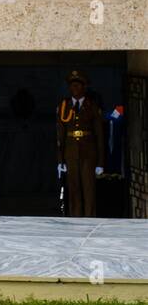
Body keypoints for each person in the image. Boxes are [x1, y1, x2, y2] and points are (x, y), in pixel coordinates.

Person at [57, 70, 106, 217]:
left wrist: (100, 163)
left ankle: (89, 218)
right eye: (72, 86)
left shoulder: (92, 105)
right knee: (73, 188)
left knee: (88, 188)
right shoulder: (65, 105)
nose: (74, 89)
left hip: (88, 152)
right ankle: (75, 218)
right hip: (71, 152)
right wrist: (60, 160)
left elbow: (99, 135)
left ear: (84, 87)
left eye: (78, 86)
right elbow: (60, 134)